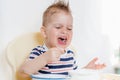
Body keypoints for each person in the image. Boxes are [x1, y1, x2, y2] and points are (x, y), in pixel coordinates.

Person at [18, 0, 106, 80]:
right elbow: (22, 72)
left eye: (69, 28)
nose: (64, 31)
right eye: (58, 27)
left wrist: (87, 70)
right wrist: (44, 58)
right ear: (44, 32)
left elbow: (73, 77)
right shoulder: (39, 52)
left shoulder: (70, 55)